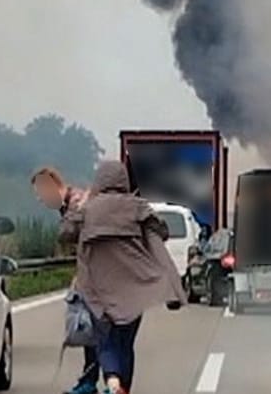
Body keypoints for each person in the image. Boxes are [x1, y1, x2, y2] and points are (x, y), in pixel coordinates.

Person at [59, 160, 186, 394]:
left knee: (104, 339)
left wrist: (80, 206)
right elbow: (162, 233)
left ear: (99, 182)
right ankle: (121, 386)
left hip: (97, 289)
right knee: (125, 343)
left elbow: (65, 233)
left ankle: (112, 381)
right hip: (133, 288)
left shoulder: (88, 210)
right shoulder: (138, 207)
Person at [31, 167, 99, 394]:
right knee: (89, 329)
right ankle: (91, 380)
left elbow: (74, 236)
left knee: (93, 329)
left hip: (100, 276)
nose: (40, 199)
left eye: (41, 193)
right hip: (91, 274)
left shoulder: (77, 204)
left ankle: (96, 382)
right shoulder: (70, 205)